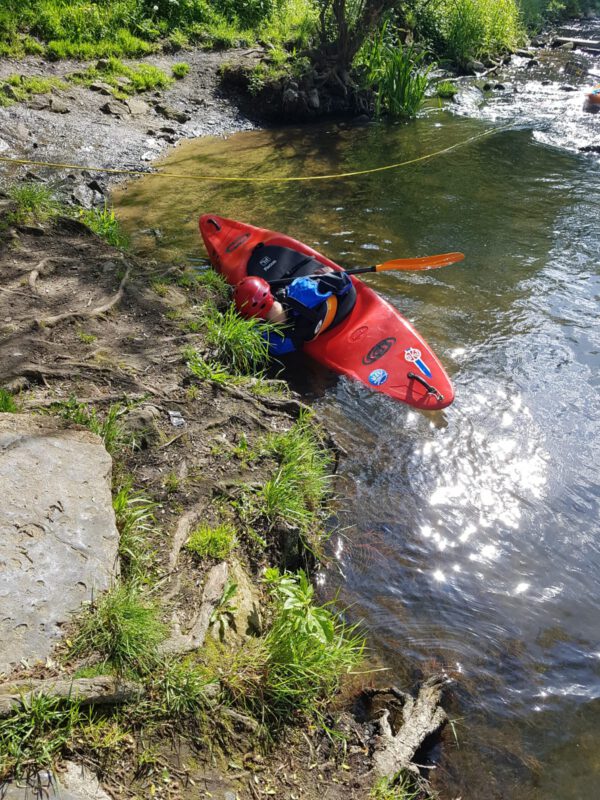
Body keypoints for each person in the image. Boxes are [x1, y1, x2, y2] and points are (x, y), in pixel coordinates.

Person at [233, 267, 355, 355]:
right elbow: (345, 283)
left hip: (309, 331)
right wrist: (329, 274)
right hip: (338, 310)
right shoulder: (302, 289)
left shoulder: (274, 344)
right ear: (269, 292)